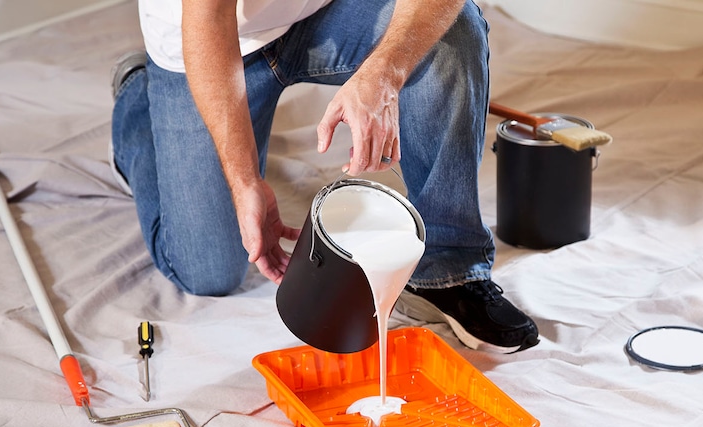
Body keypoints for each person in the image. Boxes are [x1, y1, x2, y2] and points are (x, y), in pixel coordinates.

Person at [110, 0, 540, 353]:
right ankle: (136, 97)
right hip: (211, 38)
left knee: (452, 31)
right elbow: (208, 18)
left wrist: (384, 73)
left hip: (324, 11)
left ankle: (449, 268)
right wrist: (244, 184)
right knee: (208, 272)